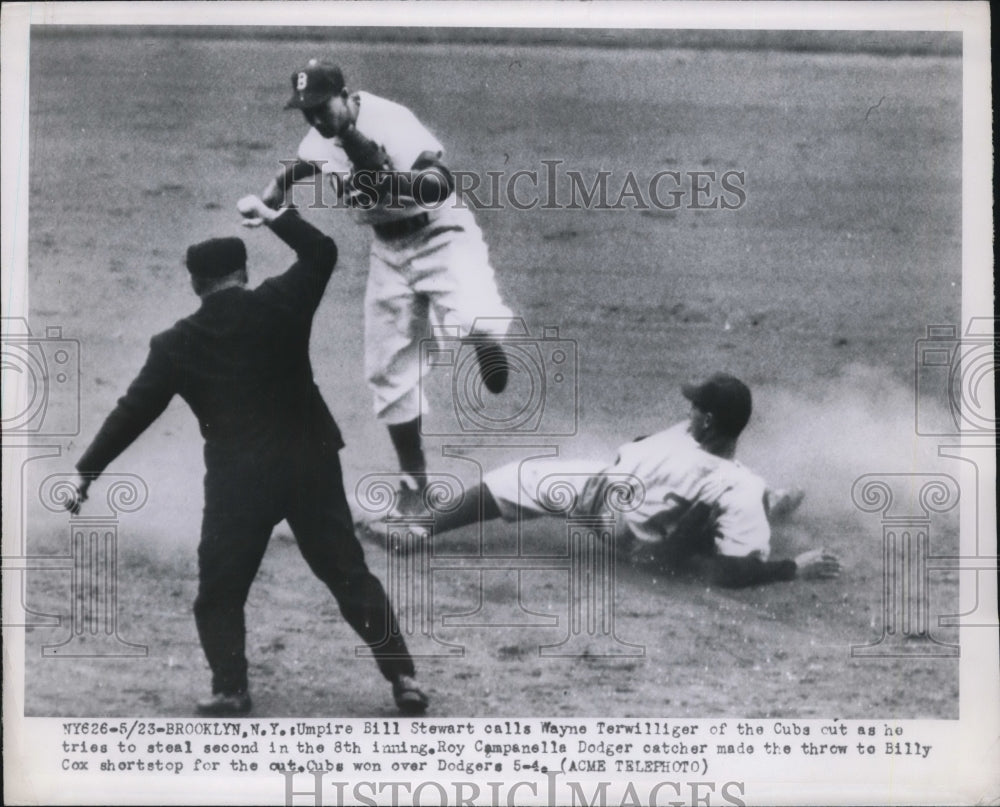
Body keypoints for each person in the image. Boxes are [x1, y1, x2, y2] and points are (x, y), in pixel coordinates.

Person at [64, 197, 429, 716]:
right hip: (311, 463)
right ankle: (404, 679)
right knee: (348, 575)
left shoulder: (176, 343)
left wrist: (87, 472)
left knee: (221, 589)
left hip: (239, 482)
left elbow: (133, 412)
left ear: (195, 283)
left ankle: (231, 688)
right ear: (243, 272)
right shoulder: (280, 302)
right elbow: (322, 251)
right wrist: (274, 214)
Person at [256, 58, 515, 514]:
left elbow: (440, 182)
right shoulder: (320, 132)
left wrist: (389, 180)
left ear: (345, 94)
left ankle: (483, 336)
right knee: (388, 371)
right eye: (305, 110)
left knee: (471, 311)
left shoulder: (389, 120)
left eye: (321, 107)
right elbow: (308, 161)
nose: (315, 117)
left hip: (440, 233)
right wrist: (280, 184)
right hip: (388, 254)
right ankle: (414, 486)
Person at [395, 373, 841, 588]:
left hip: (624, 526)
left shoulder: (726, 478)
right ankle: (422, 528)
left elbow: (733, 571)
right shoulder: (699, 447)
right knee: (520, 475)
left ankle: (419, 529)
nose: (687, 412)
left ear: (706, 420)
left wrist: (792, 569)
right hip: (611, 505)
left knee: (516, 479)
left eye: (694, 408)